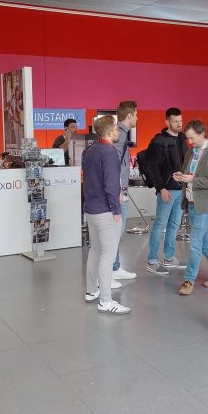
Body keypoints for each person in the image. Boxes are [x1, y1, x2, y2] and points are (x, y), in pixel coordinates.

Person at [82, 115, 130, 315]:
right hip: (105, 211)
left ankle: (91, 291)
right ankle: (105, 301)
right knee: (107, 256)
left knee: (95, 250)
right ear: (109, 132)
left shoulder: (89, 150)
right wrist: (116, 210)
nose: (119, 131)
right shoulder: (109, 152)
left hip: (90, 209)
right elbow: (111, 184)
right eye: (116, 129)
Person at [174, 119, 208, 295]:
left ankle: (189, 280)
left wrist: (193, 180)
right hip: (191, 202)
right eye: (187, 138)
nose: (189, 142)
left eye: (192, 138)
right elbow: (187, 173)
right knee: (202, 242)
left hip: (206, 205)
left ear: (202, 134)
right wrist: (180, 176)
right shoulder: (191, 151)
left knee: (195, 243)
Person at [145, 108, 187, 275]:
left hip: (180, 189)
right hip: (166, 190)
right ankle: (152, 260)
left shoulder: (182, 138)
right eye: (176, 121)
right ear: (167, 122)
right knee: (160, 223)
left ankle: (169, 257)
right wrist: (161, 188)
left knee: (174, 224)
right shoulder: (159, 141)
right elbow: (152, 167)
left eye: (180, 121)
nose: (179, 124)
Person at [111, 101, 138, 282]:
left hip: (120, 190)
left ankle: (115, 267)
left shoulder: (121, 134)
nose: (137, 118)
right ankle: (109, 272)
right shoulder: (120, 135)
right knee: (115, 234)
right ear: (129, 116)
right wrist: (119, 190)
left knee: (116, 234)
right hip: (119, 192)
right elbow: (113, 165)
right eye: (136, 114)